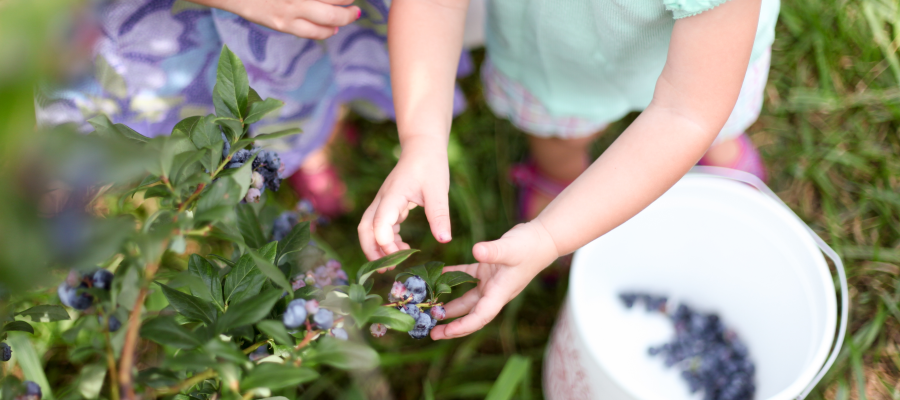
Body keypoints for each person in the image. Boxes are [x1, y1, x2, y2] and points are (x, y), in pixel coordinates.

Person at [358, 0, 779, 340]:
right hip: (554, 65)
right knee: (559, 137)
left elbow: (686, 113)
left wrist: (549, 235)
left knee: (712, 121)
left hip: (708, 61)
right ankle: (560, 177)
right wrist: (423, 140)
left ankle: (718, 147)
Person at [34, 0, 471, 217]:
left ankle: (309, 139)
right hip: (171, 24)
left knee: (302, 85)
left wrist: (424, 141)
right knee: (175, 109)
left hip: (303, 41)